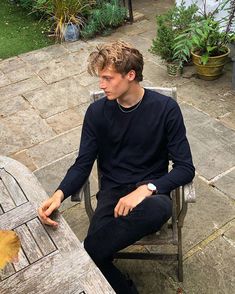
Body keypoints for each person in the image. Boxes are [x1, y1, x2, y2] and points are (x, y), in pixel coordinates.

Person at [38, 41, 195, 294]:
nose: (102, 85)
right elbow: (83, 163)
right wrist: (59, 194)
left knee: (160, 208)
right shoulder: (96, 113)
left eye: (108, 78)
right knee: (96, 254)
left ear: (130, 75)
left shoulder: (166, 110)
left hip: (150, 197)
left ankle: (88, 250)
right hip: (112, 196)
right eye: (101, 78)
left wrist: (147, 189)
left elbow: (185, 168)